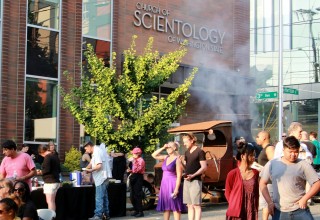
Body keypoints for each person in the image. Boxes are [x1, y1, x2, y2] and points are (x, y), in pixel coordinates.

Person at [260, 136, 320, 220]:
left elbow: (317, 183)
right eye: (290, 151)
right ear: (283, 150)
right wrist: (269, 202)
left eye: (296, 152)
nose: (293, 155)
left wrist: (305, 198)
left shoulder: (303, 164)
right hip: (279, 211)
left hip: (300, 210)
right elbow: (262, 183)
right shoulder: (272, 164)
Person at [151, 142, 186, 220]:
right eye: (167, 148)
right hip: (165, 184)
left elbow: (179, 175)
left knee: (175, 207)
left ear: (174, 148)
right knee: (166, 207)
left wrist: (176, 189)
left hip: (173, 183)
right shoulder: (165, 157)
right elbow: (153, 155)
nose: (167, 149)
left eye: (169, 147)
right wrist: (163, 147)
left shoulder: (177, 159)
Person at [225, 142, 259, 220]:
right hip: (236, 211)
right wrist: (234, 204)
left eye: (254, 155)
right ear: (243, 156)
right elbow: (227, 193)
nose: (253, 157)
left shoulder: (256, 173)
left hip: (251, 210)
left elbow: (256, 193)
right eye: (251, 155)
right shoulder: (232, 174)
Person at [181, 133, 207, 220]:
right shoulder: (186, 152)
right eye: (183, 142)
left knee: (196, 205)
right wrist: (181, 162)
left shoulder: (200, 151)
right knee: (189, 205)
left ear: (192, 140)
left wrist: (193, 175)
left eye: (186, 142)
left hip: (195, 180)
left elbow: (204, 167)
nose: (184, 144)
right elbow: (186, 167)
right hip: (187, 180)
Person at [84, 141, 111, 220]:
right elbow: (92, 163)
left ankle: (98, 215)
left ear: (89, 146)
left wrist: (90, 170)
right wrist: (85, 169)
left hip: (101, 178)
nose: (86, 150)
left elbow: (99, 165)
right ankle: (106, 214)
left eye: (86, 148)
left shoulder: (97, 152)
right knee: (104, 197)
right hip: (103, 177)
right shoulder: (96, 151)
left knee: (99, 197)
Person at [255, 131, 274, 220]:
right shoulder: (263, 149)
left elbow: (273, 164)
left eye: (258, 136)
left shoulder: (269, 148)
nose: (256, 138)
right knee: (265, 205)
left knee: (266, 205)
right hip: (263, 181)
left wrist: (261, 169)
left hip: (268, 182)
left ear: (264, 138)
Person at [37, 144, 61, 211]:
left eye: (41, 154)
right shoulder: (55, 156)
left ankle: (51, 217)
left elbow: (46, 170)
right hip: (56, 181)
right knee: (52, 202)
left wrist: (39, 172)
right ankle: (53, 216)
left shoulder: (47, 157)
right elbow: (59, 169)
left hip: (50, 182)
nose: (42, 156)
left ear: (42, 152)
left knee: (50, 202)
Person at [127, 147, 145, 218]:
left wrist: (134, 163)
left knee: (138, 194)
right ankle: (136, 210)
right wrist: (130, 170)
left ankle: (140, 211)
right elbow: (131, 167)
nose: (133, 155)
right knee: (133, 194)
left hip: (138, 176)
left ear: (138, 154)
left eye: (134, 153)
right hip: (133, 175)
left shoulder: (141, 160)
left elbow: (138, 169)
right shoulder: (133, 159)